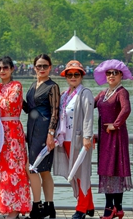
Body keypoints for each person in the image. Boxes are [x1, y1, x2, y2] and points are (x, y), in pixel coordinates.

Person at [52, 60, 95, 219]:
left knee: (82, 174)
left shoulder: (85, 93)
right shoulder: (65, 95)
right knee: (76, 174)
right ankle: (89, 206)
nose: (73, 77)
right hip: (66, 140)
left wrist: (87, 137)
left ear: (82, 75)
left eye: (76, 74)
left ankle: (81, 209)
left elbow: (89, 117)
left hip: (80, 141)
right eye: (70, 74)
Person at [0, 56, 31, 219]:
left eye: (5, 68)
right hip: (0, 131)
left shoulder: (16, 86)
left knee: (15, 169)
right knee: (2, 171)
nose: (2, 71)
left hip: (13, 131)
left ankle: (15, 208)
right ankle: (6, 206)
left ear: (12, 69)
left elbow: (9, 104)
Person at [93, 59, 132, 219]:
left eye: (115, 73)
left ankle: (113, 208)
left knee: (116, 169)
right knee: (107, 171)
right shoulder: (103, 93)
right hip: (104, 139)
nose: (111, 76)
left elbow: (126, 109)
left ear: (121, 75)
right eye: (108, 73)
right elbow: (89, 105)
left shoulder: (121, 92)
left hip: (115, 137)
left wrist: (115, 125)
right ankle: (115, 208)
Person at [23, 54, 60, 219]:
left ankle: (38, 205)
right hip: (32, 129)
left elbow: (55, 112)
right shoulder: (33, 85)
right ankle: (49, 206)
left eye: (45, 66)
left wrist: (51, 134)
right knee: (42, 170)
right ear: (34, 67)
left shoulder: (52, 86)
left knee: (35, 168)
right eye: (39, 66)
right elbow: (29, 109)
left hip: (44, 131)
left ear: (50, 67)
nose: (42, 69)